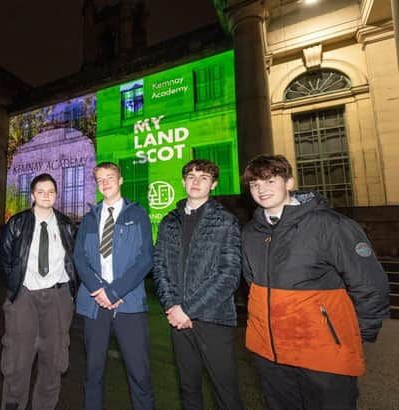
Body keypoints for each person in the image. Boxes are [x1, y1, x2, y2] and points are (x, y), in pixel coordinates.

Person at [241, 154, 390, 410]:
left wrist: (354, 335)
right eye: (255, 184)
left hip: (323, 352)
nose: (261, 190)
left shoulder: (330, 225)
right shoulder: (250, 233)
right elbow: (251, 282)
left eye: (269, 181)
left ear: (289, 183)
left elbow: (370, 284)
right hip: (270, 353)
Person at [153, 159, 243, 409]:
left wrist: (187, 309)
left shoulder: (225, 221)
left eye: (203, 177)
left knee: (225, 391)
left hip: (213, 318)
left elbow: (229, 274)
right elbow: (159, 266)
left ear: (213, 184)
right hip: (177, 318)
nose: (196, 182)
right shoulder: (169, 221)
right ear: (183, 182)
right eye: (191, 176)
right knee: (188, 388)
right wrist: (172, 305)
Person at [73, 161, 155, 410]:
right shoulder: (89, 218)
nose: (105, 182)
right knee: (93, 370)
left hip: (128, 302)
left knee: (139, 372)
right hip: (94, 302)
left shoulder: (138, 214)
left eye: (110, 177)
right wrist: (100, 290)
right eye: (100, 179)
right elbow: (80, 258)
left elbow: (145, 259)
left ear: (120, 180)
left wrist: (115, 291)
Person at [0, 173, 77, 410]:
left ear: (56, 195)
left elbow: (74, 260)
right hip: (25, 296)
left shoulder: (66, 225)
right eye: (41, 191)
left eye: (51, 191)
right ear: (32, 195)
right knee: (17, 360)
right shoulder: (18, 223)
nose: (46, 195)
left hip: (57, 297)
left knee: (54, 361)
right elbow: (5, 259)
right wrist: (15, 287)